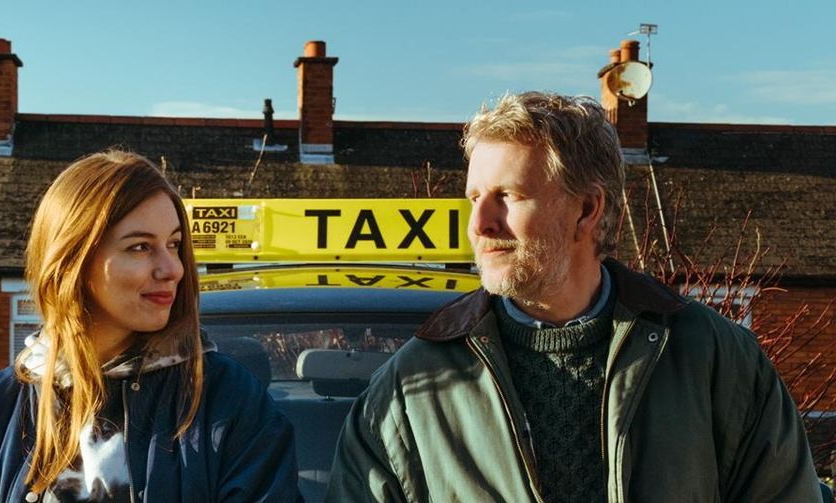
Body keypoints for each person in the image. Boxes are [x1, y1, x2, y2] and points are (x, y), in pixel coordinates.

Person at [327, 92, 820, 502]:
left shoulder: (717, 362)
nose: (480, 225)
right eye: (475, 198)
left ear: (587, 209)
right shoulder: (409, 390)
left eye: (509, 196)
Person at [0, 150, 301, 502]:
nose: (173, 269)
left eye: (174, 244)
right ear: (72, 262)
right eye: (140, 247)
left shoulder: (227, 401)